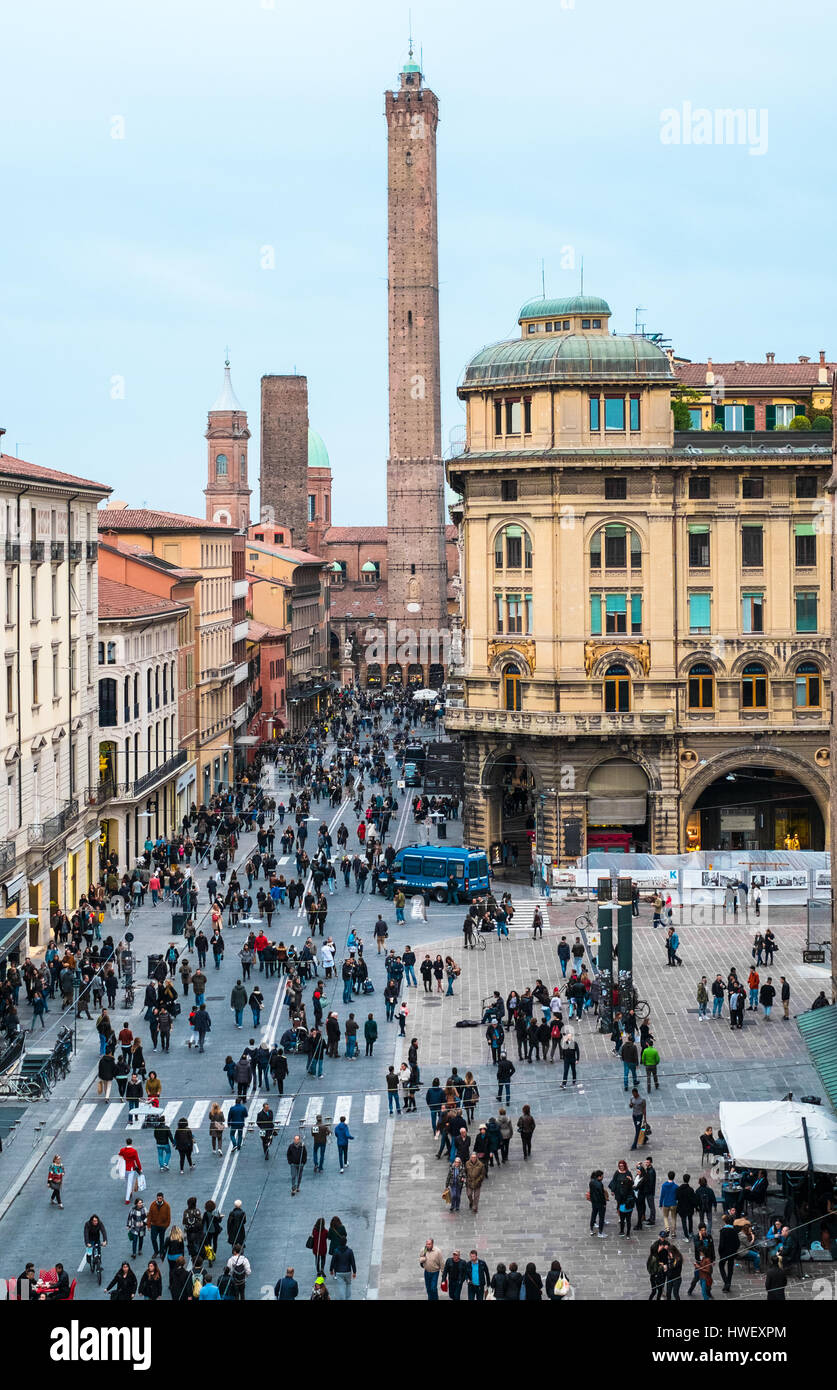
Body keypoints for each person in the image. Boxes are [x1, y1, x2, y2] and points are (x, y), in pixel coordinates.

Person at [718, 1214, 740, 1291]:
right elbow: (738, 1243)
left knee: (721, 1265)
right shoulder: (734, 1231)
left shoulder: (723, 1231)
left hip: (724, 1252)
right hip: (732, 1253)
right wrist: (735, 1250)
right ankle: (728, 1283)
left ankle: (726, 1282)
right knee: (730, 1268)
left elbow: (721, 1244)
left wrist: (720, 1252)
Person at [588, 1170, 608, 1236]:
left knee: (594, 1214)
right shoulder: (599, 1184)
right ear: (599, 1177)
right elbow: (601, 1195)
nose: (603, 1177)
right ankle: (600, 1232)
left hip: (594, 1202)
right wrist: (604, 1203)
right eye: (602, 1176)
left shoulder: (591, 1182)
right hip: (600, 1203)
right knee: (601, 1217)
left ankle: (591, 1228)